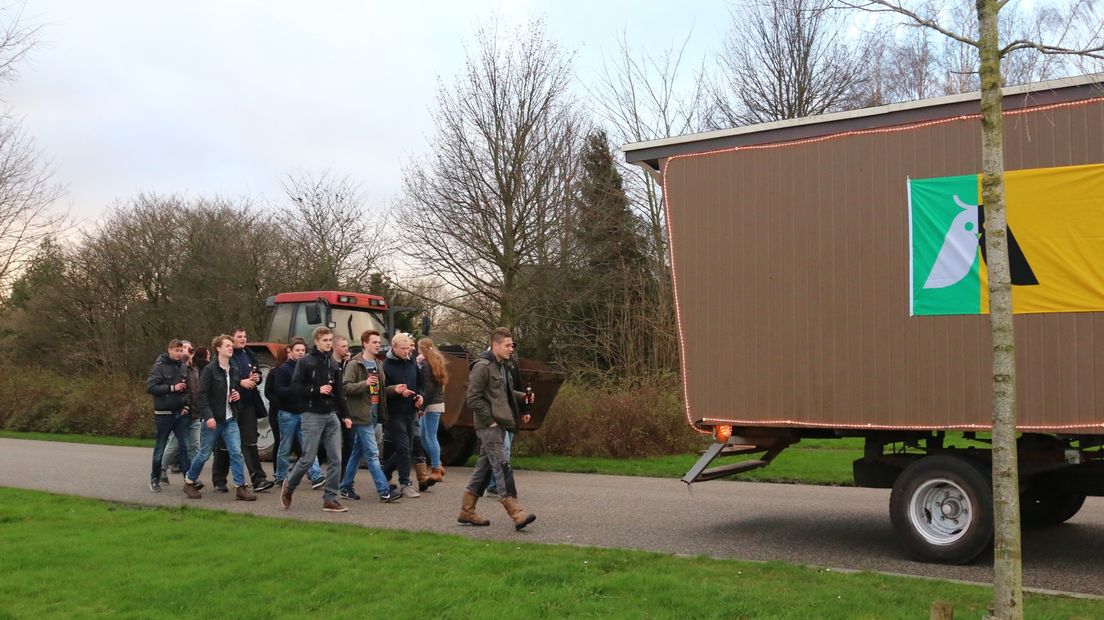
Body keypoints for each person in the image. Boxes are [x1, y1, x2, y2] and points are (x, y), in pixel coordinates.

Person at [458, 328, 535, 530]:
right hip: (489, 426)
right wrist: (490, 420)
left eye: (512, 345)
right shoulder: (482, 367)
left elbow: (503, 394)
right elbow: (473, 399)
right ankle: (516, 512)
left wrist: (522, 397)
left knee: (484, 468)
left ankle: (467, 511)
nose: (512, 349)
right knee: (502, 465)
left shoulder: (504, 366)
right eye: (508, 345)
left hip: (500, 424)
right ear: (495, 346)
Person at [280, 326, 352, 513]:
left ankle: (330, 499)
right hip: (311, 414)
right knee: (308, 458)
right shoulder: (305, 362)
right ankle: (289, 488)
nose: (328, 343)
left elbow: (339, 393)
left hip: (331, 415)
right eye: (325, 340)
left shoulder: (334, 364)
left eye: (330, 340)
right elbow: (295, 388)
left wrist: (345, 415)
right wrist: (316, 390)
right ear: (317, 342)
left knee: (336, 458)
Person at [182, 335, 256, 501]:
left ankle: (240, 487)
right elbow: (201, 396)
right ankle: (189, 481)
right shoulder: (209, 370)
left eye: (231, 345)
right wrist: (208, 416)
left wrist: (236, 395)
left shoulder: (234, 367)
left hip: (230, 419)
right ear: (218, 348)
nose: (231, 348)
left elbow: (233, 388)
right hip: (213, 420)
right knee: (204, 454)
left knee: (236, 453)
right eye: (227, 345)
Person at [339, 330, 402, 503]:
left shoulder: (378, 364)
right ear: (365, 344)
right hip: (360, 415)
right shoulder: (354, 364)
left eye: (378, 342)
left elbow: (381, 390)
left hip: (374, 414)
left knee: (356, 453)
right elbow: (345, 388)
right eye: (374, 342)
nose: (378, 345)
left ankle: (345, 487)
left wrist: (395, 389)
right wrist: (365, 383)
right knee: (373, 455)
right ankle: (384, 491)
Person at [212, 327, 274, 493]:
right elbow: (221, 376)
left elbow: (257, 371)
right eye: (240, 336)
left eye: (245, 336)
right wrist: (241, 382)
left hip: (248, 405)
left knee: (250, 442)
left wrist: (257, 377)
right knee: (225, 444)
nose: (243, 339)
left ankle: (258, 479)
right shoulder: (226, 356)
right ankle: (219, 479)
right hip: (230, 406)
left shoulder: (249, 354)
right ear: (231, 339)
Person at [270, 337, 322, 487]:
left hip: (304, 412)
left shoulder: (307, 369)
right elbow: (278, 390)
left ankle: (316, 474)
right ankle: (281, 476)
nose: (300, 353)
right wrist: (295, 390)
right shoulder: (283, 369)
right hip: (287, 413)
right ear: (290, 352)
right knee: (285, 447)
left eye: (303, 350)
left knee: (308, 446)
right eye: (297, 350)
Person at [381, 332, 425, 498]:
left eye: (409, 348)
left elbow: (421, 383)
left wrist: (420, 396)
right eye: (404, 349)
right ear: (394, 348)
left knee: (408, 448)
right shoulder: (386, 366)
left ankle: (383, 471)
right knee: (404, 448)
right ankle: (405, 483)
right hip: (395, 413)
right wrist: (397, 391)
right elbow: (381, 391)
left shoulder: (411, 363)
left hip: (411, 411)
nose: (407, 351)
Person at [145, 339, 193, 492]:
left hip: (180, 413)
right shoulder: (159, 367)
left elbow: (187, 389)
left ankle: (189, 480)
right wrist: (172, 388)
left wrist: (186, 405)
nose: (179, 354)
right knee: (160, 447)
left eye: (181, 351)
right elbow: (151, 387)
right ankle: (155, 478)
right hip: (163, 413)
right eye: (177, 351)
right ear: (169, 350)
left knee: (185, 447)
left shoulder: (183, 367)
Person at [161, 342, 205, 487]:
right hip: (182, 413)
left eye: (189, 347)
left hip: (195, 412)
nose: (189, 350)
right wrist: (182, 406)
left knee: (195, 445)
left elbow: (197, 390)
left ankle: (192, 478)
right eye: (184, 348)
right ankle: (161, 468)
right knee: (175, 445)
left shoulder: (195, 368)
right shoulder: (177, 368)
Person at [418, 337, 449, 483]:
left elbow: (428, 388)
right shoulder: (436, 362)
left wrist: (422, 407)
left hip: (430, 404)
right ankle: (438, 464)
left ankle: (436, 469)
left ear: (421, 349)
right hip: (437, 403)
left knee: (430, 437)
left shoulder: (425, 364)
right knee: (424, 436)